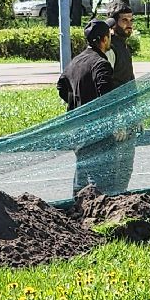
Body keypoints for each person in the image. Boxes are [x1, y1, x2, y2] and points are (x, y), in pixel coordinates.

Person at [57, 19, 118, 193]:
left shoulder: (76, 61)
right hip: (99, 131)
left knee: (82, 176)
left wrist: (76, 103)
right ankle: (98, 215)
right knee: (100, 182)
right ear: (104, 40)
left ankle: (79, 213)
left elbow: (61, 86)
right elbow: (107, 96)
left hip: (78, 129)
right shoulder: (101, 64)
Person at [103, 1, 138, 193]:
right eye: (124, 20)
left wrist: (136, 114)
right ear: (113, 22)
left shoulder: (124, 46)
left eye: (131, 20)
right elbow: (107, 88)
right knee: (115, 173)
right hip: (118, 124)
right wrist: (117, 120)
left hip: (129, 118)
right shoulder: (110, 49)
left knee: (125, 170)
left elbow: (128, 83)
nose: (129, 24)